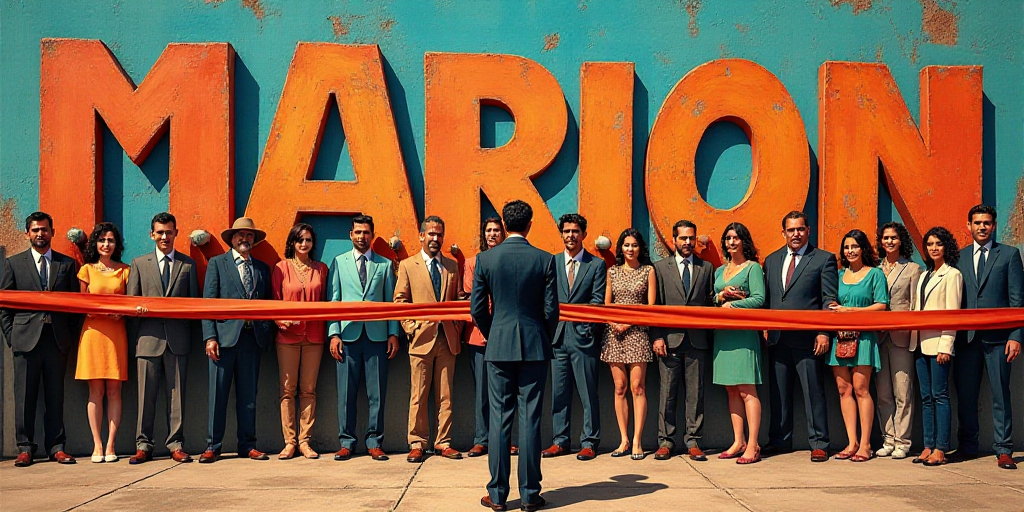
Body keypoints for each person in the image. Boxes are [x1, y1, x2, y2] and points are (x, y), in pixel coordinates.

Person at [471, 200, 557, 512]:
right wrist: (541, 335)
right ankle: (530, 495)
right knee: (530, 419)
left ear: (505, 225)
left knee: (498, 420)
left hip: (498, 347)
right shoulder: (545, 259)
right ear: (530, 224)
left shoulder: (486, 259)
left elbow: (477, 308)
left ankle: (497, 495)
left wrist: (494, 332)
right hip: (534, 345)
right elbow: (551, 310)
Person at [1, 212, 80, 467]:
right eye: (35, 230)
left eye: (44, 229)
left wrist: (69, 338)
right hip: (25, 340)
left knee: (55, 396)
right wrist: (12, 336)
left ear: (52, 232)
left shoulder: (67, 264)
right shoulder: (14, 264)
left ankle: (56, 447)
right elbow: (5, 305)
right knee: (25, 397)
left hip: (56, 340)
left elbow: (75, 306)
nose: (40, 234)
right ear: (27, 233)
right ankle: (25, 447)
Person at [762, 211, 838, 462]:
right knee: (778, 394)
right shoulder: (771, 260)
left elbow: (829, 300)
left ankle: (819, 443)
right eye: (791, 230)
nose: (796, 234)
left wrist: (824, 332)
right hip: (777, 339)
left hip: (809, 340)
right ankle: (779, 441)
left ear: (808, 230)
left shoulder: (824, 259)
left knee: (813, 392)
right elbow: (768, 300)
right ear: (783, 232)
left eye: (800, 229)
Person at [126, 212, 200, 465]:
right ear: (152, 235)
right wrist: (135, 339)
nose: (164, 237)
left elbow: (193, 306)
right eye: (160, 232)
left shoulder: (187, 265)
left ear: (176, 233)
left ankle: (176, 445)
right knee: (145, 397)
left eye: (169, 232)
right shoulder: (139, 264)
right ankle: (143, 445)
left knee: (177, 397)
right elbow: (131, 304)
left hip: (178, 340)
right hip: (147, 340)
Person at [199, 217, 275, 463]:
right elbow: (209, 303)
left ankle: (248, 445)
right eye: (240, 235)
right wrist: (210, 337)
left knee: (248, 397)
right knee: (217, 395)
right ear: (232, 239)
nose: (245, 239)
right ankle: (213, 446)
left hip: (252, 340)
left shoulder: (262, 268)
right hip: (223, 341)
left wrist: (265, 331)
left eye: (249, 235)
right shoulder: (217, 263)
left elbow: (268, 304)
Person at [953, 205, 1022, 470]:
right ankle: (967, 447)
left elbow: (1017, 300)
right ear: (969, 226)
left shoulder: (1009, 255)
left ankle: (1004, 449)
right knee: (966, 395)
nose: (982, 227)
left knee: (1000, 395)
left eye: (987, 223)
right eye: (977, 223)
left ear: (993, 226)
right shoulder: (958, 257)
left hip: (999, 340)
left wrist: (1016, 336)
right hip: (966, 340)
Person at [327, 214, 399, 462]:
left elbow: (391, 303)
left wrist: (393, 333)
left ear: (372, 235)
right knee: (346, 393)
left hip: (377, 338)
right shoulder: (339, 262)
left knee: (376, 394)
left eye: (366, 232)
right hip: (347, 337)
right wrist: (334, 333)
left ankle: (375, 442)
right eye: (357, 232)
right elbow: (334, 300)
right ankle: (346, 442)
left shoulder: (384, 265)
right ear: (351, 235)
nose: (361, 236)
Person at [394, 216, 463, 463]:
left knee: (446, 395)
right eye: (431, 234)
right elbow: (400, 301)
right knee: (419, 395)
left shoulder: (452, 266)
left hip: (447, 339)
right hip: (420, 339)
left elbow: (459, 298)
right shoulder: (408, 265)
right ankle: (417, 442)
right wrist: (411, 328)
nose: (435, 238)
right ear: (421, 236)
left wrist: (456, 326)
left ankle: (443, 442)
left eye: (439, 234)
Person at [542, 214, 606, 461]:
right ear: (562, 234)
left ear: (583, 234)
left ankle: (589, 442)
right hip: (557, 339)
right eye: (567, 231)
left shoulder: (596, 265)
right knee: (559, 393)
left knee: (588, 393)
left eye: (575, 231)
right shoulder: (552, 262)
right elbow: (547, 299)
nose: (571, 235)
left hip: (584, 339)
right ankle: (560, 441)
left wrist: (587, 329)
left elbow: (597, 301)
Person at [650, 220, 714, 462]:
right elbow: (654, 306)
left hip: (697, 341)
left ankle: (693, 441)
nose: (687, 242)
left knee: (696, 394)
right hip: (669, 341)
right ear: (673, 240)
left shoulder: (706, 268)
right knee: (667, 393)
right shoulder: (659, 268)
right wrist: (657, 336)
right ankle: (665, 441)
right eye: (683, 238)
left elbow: (710, 302)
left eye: (691, 238)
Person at [827, 229, 888, 462]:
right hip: (840, 338)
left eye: (854, 246)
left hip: (863, 338)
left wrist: (851, 311)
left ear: (863, 249)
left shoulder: (875, 274)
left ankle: (866, 444)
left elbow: (881, 305)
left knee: (862, 388)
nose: (850, 251)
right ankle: (851, 442)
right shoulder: (838, 275)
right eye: (846, 247)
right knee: (844, 389)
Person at [75, 223, 131, 463]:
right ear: (94, 244)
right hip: (93, 333)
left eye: (110, 240)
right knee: (95, 391)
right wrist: (97, 311)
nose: (106, 244)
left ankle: (111, 445)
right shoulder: (86, 270)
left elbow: (131, 301)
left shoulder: (125, 271)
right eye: (101, 240)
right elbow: (82, 304)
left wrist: (122, 313)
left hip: (116, 333)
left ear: (116, 244)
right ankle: (97, 445)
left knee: (114, 391)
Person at [271, 223, 328, 460]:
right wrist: (281, 321)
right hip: (287, 337)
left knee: (309, 390)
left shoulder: (321, 269)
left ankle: (305, 441)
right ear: (292, 242)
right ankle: (289, 442)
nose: (304, 244)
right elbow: (274, 302)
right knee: (287, 390)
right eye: (300, 240)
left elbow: (326, 301)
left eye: (308, 240)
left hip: (314, 336)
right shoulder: (281, 268)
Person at [712, 223, 766, 465]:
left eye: (736, 238)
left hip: (743, 334)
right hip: (723, 335)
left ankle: (753, 445)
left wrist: (733, 304)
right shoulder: (719, 271)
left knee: (747, 390)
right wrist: (721, 296)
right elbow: (713, 299)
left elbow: (759, 299)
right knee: (731, 389)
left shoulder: (753, 268)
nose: (731, 242)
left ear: (745, 241)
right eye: (728, 238)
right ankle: (738, 441)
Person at [463, 217, 517, 457]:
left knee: (507, 390)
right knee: (482, 391)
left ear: (503, 234)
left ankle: (505, 439)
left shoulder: (511, 260)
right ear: (483, 235)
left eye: (496, 230)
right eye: (488, 230)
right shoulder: (473, 263)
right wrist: (488, 326)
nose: (492, 234)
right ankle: (481, 438)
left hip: (506, 334)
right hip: (479, 335)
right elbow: (472, 298)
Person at [602, 228, 656, 461]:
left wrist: (629, 322)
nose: (630, 249)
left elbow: (651, 307)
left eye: (634, 245)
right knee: (620, 387)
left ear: (640, 248)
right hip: (614, 334)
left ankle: (637, 441)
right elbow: (606, 305)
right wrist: (614, 323)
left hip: (637, 333)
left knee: (637, 387)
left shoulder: (648, 271)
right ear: (621, 248)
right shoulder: (612, 271)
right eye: (626, 245)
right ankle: (623, 439)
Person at [909, 227, 962, 467]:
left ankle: (941, 448)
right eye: (930, 244)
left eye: (938, 243)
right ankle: (928, 445)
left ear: (946, 246)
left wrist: (946, 346)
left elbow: (952, 313)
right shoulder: (925, 275)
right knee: (926, 397)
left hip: (939, 344)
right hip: (919, 343)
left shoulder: (952, 275)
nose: (933, 248)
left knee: (940, 396)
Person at [875, 222, 921, 460]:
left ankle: (903, 441)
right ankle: (888, 438)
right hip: (878, 337)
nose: (889, 241)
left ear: (901, 240)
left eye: (893, 237)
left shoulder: (912, 269)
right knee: (883, 393)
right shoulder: (875, 269)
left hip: (901, 337)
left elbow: (915, 305)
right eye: (885, 238)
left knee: (903, 391)